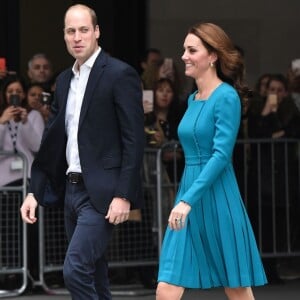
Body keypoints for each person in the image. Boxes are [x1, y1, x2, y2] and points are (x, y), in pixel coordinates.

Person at [20, 4, 144, 300]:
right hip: (71, 192)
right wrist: (34, 191)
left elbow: (133, 139)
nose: (77, 37)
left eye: (84, 30)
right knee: (95, 275)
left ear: (97, 32)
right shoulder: (64, 80)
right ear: (64, 35)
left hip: (101, 194)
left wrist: (124, 194)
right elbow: (52, 142)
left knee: (74, 269)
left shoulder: (119, 74)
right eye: (71, 31)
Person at [156, 22, 267, 300]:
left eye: (192, 50)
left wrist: (187, 200)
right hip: (189, 193)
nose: (184, 55)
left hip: (217, 197)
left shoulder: (226, 97)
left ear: (213, 56)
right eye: (184, 49)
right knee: (166, 287)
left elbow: (221, 156)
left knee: (237, 288)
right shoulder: (193, 99)